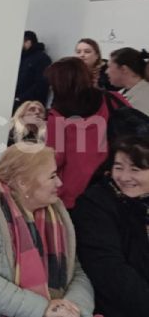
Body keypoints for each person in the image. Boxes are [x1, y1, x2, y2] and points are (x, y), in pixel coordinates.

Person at [0, 143, 95, 317]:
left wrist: (72, 309)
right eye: (52, 176)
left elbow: (78, 271)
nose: (59, 182)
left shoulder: (57, 210)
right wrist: (42, 310)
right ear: (23, 183)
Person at [72, 136, 149, 317]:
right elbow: (110, 273)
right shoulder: (94, 205)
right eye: (118, 167)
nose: (124, 177)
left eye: (135, 169)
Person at [45, 57, 129, 208]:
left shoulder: (57, 114)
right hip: (115, 181)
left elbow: (56, 157)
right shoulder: (112, 100)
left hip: (75, 188)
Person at [14, 31, 52, 111]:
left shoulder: (42, 59)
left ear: (28, 42)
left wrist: (20, 98)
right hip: (19, 102)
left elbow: (41, 84)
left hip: (31, 105)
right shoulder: (22, 57)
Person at [106, 47, 149, 115]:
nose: (106, 72)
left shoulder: (143, 99)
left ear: (124, 69)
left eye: (109, 67)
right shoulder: (122, 93)